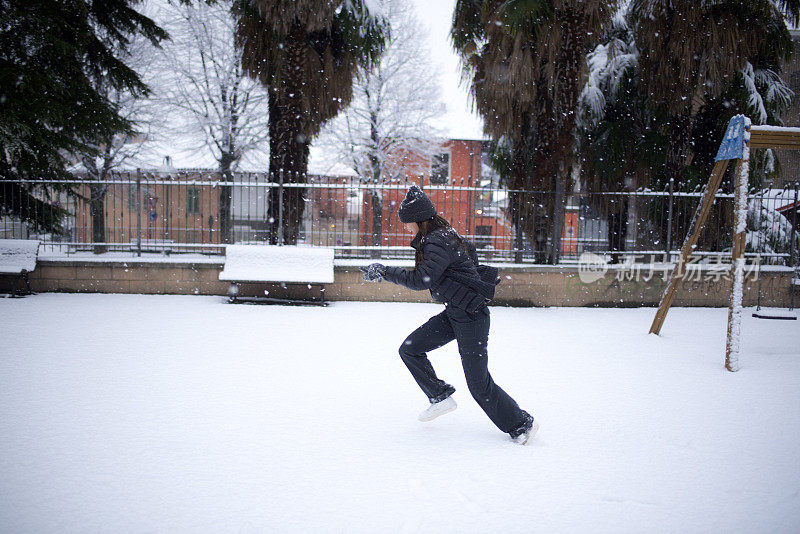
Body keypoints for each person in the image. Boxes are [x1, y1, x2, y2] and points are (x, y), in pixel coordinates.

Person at [360, 185, 538, 445]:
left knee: (479, 385)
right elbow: (470, 257)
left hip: (471, 317)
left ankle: (520, 424)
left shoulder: (435, 240)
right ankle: (439, 396)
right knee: (410, 349)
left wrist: (385, 271)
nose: (405, 227)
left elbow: (423, 279)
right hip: (456, 312)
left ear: (417, 219)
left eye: (407, 222)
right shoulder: (445, 235)